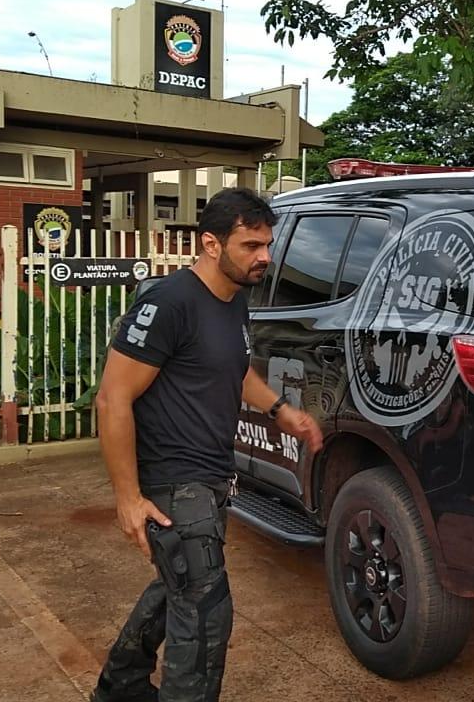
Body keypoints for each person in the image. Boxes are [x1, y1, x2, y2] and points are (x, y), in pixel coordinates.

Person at [90, 187, 323, 702]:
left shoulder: (234, 302)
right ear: (211, 244)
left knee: (178, 588)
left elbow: (235, 371)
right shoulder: (171, 302)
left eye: (267, 244)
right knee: (205, 612)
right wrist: (128, 498)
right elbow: (112, 400)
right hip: (175, 481)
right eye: (250, 245)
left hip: (213, 480)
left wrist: (281, 411)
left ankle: (119, 687)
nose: (264, 256)